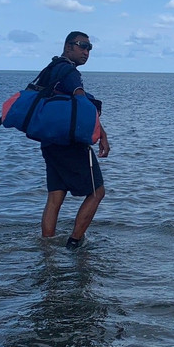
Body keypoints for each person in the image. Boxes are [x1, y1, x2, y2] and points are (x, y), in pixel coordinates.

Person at [37, 31, 111, 249]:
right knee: (97, 192)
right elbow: (83, 107)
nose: (86, 51)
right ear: (68, 46)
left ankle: (47, 248)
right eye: (82, 46)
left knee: (55, 196)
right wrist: (102, 135)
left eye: (89, 48)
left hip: (49, 142)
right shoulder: (70, 73)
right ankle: (74, 244)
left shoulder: (51, 69)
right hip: (69, 144)